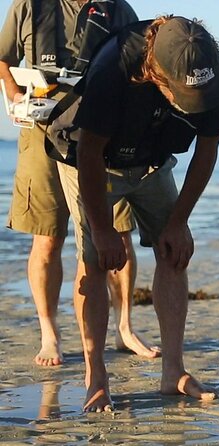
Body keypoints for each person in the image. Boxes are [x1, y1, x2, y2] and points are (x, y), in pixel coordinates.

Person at [56, 15, 219, 411]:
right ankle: (96, 378)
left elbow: (208, 149)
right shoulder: (114, 69)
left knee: (174, 251)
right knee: (94, 260)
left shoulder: (214, 71)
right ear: (155, 71)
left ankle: (173, 371)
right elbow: (88, 153)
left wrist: (179, 221)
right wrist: (103, 231)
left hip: (153, 162)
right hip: (90, 160)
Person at [0, 0, 159, 367]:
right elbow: (3, 59)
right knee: (48, 236)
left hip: (101, 130)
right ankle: (49, 335)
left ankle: (125, 328)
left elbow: (140, 66)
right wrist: (13, 97)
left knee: (118, 232)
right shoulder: (28, 5)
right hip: (40, 128)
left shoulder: (118, 10)